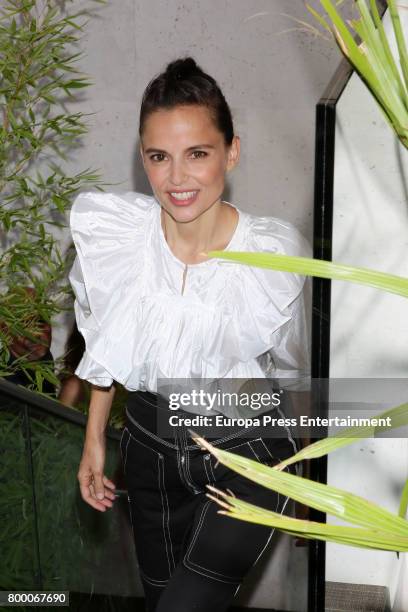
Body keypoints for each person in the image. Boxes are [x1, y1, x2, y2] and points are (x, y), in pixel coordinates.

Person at [68, 56, 311, 612]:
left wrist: (304, 477)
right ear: (143, 159)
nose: (177, 178)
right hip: (148, 451)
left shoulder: (273, 253)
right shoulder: (119, 238)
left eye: (197, 154)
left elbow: (295, 372)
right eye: (159, 157)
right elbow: (112, 345)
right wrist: (95, 439)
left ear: (232, 151)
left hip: (246, 452)